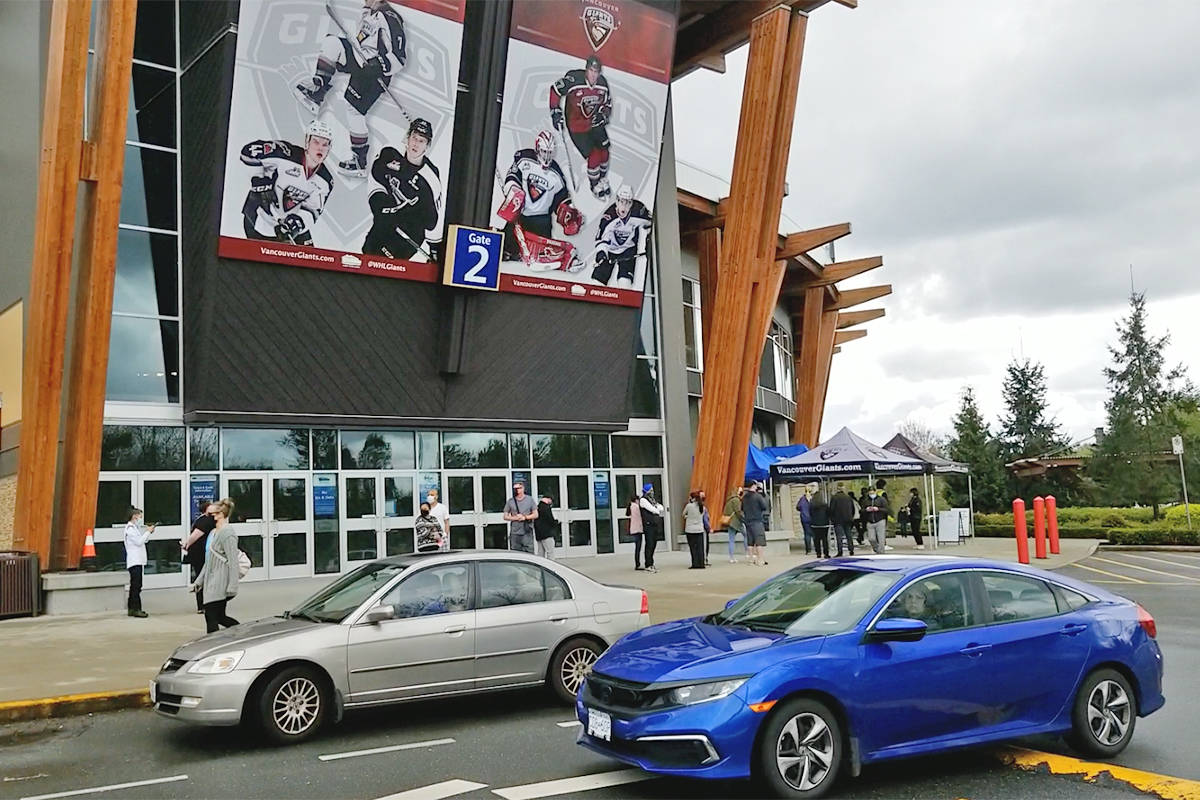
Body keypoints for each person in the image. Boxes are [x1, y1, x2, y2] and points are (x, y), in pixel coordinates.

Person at [293, 0, 408, 177]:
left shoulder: (390, 17)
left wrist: (379, 64)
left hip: (375, 73)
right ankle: (317, 93)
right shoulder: (367, 12)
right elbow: (364, 42)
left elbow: (399, 58)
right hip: (361, 60)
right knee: (333, 43)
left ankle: (359, 161)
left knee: (354, 111)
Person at [239, 119, 334, 245]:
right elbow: (247, 153)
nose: (320, 148)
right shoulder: (284, 153)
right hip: (260, 221)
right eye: (316, 141)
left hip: (288, 227)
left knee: (309, 261)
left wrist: (296, 223)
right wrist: (260, 181)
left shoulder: (325, 181)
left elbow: (313, 210)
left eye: (325, 144)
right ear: (307, 141)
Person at [362, 118, 443, 262]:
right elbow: (375, 177)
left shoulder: (430, 179)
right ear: (408, 137)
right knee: (367, 254)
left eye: (421, 141)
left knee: (386, 266)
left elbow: (434, 220)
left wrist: (435, 250)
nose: (416, 144)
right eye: (414, 138)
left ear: (427, 146)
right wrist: (380, 204)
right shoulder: (390, 152)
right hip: (387, 220)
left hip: (410, 231)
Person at [496, 130, 583, 265]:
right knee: (505, 248)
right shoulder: (524, 158)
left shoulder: (556, 173)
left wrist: (569, 214)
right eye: (544, 152)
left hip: (541, 221)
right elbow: (512, 176)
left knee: (542, 257)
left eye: (549, 153)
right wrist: (513, 190)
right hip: (521, 215)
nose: (547, 157)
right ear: (537, 148)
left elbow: (561, 199)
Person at [549, 54, 612, 199]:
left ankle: (602, 179)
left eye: (596, 72)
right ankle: (594, 184)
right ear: (586, 70)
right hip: (576, 126)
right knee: (594, 155)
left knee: (605, 152)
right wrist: (555, 111)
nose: (594, 75)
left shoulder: (602, 84)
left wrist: (603, 114)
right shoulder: (574, 81)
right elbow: (555, 90)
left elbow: (607, 104)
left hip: (593, 124)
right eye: (591, 71)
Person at [191, 498, 240, 633]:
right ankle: (240, 633)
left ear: (220, 515)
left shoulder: (227, 533)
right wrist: (199, 582)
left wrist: (233, 585)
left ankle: (214, 643)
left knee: (211, 616)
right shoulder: (213, 533)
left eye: (211, 515)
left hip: (220, 583)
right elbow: (209, 560)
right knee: (219, 617)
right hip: (211, 582)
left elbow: (233, 561)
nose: (208, 519)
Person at [591, 185, 652, 288]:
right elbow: (601, 240)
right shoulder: (608, 217)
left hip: (628, 250)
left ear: (631, 203)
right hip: (610, 250)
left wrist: (650, 241)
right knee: (597, 285)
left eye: (628, 202)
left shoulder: (639, 210)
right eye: (621, 201)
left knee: (625, 284)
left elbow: (651, 224)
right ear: (617, 201)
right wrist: (601, 254)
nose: (624, 206)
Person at [180, 502, 218, 614]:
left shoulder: (202, 520)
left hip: (200, 553)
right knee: (202, 578)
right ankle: (203, 605)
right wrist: (187, 543)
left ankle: (202, 605)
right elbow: (196, 535)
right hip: (200, 554)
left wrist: (186, 544)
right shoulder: (205, 521)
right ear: (207, 509)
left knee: (202, 577)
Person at [123, 507, 155, 618]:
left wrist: (148, 533)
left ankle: (132, 608)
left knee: (136, 585)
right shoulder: (130, 529)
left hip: (138, 561)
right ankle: (136, 608)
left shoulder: (134, 528)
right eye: (140, 516)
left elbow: (144, 540)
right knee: (136, 586)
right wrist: (147, 532)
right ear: (134, 516)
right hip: (134, 561)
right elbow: (139, 542)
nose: (141, 518)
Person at [503, 481, 537, 553]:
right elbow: (505, 516)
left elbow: (536, 514)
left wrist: (525, 517)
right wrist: (515, 518)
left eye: (519, 488)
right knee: (515, 552)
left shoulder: (530, 499)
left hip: (526, 530)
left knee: (529, 551)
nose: (517, 490)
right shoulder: (510, 501)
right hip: (515, 532)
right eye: (515, 488)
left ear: (523, 488)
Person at [740, 482, 769, 566]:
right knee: (759, 541)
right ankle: (760, 560)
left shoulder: (744, 498)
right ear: (753, 486)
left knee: (750, 542)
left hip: (748, 521)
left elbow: (742, 509)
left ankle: (750, 560)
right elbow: (764, 507)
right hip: (757, 521)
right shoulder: (757, 496)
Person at [638, 484, 665, 573]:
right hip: (648, 525)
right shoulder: (643, 500)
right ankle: (648, 564)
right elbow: (653, 510)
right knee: (649, 544)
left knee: (653, 544)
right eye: (650, 490)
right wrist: (657, 510)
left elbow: (661, 507)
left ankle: (651, 563)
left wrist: (657, 509)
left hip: (654, 525)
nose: (652, 492)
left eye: (652, 490)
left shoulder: (652, 500)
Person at [829, 483, 856, 557]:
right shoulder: (848, 498)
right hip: (848, 519)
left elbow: (831, 509)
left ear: (837, 489)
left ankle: (840, 551)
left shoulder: (834, 498)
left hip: (838, 520)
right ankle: (851, 550)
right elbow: (853, 509)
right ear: (843, 488)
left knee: (839, 536)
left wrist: (832, 518)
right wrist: (851, 516)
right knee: (848, 535)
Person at [863, 484, 891, 554]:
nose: (871, 494)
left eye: (872, 493)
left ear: (875, 492)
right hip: (870, 521)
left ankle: (881, 553)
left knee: (881, 539)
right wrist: (866, 510)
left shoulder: (881, 499)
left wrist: (878, 509)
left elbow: (887, 509)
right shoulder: (866, 500)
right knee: (871, 538)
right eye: (870, 493)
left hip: (880, 520)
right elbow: (861, 510)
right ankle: (876, 549)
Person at [683, 491, 706, 569]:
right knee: (700, 547)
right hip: (699, 529)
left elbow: (683, 514)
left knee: (693, 547)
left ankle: (695, 563)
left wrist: (687, 517)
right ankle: (701, 563)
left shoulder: (689, 506)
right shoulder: (702, 506)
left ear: (692, 498)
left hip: (690, 529)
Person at [722, 487, 745, 563]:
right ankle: (748, 552)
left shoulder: (729, 500)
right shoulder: (736, 500)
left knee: (731, 539)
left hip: (730, 522)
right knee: (746, 535)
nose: (742, 492)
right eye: (740, 491)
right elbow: (738, 511)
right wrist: (743, 520)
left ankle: (731, 557)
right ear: (737, 492)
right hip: (736, 522)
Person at [425, 487, 450, 552]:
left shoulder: (442, 507)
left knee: (442, 557)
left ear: (436, 496)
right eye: (428, 495)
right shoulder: (425, 509)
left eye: (432, 495)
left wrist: (445, 535)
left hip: (441, 538)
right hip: (429, 539)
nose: (429, 497)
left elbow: (446, 522)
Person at [534, 494, 558, 560]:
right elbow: (550, 520)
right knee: (550, 552)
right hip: (547, 533)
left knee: (540, 553)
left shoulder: (537, 507)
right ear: (549, 499)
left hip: (539, 534)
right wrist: (556, 522)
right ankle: (551, 567)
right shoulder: (546, 508)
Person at [809, 487, 831, 559]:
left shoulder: (811, 505)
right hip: (824, 524)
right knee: (825, 539)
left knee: (816, 539)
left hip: (815, 524)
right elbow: (828, 513)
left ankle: (818, 553)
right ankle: (826, 553)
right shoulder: (825, 505)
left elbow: (810, 513)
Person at [627, 493, 646, 571]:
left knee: (637, 547)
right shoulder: (636, 507)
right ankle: (637, 564)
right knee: (638, 547)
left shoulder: (631, 506)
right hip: (638, 529)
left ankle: (637, 563)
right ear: (636, 500)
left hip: (634, 529)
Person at [796, 485, 813, 555]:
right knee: (813, 533)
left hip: (804, 518)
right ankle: (816, 549)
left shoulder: (802, 499)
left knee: (806, 534)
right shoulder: (812, 499)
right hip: (812, 518)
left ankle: (808, 550)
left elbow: (798, 507)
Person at [700, 490, 712, 567]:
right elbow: (705, 519)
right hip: (703, 528)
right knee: (704, 544)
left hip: (700, 527)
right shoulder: (702, 508)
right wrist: (708, 528)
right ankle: (704, 559)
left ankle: (703, 559)